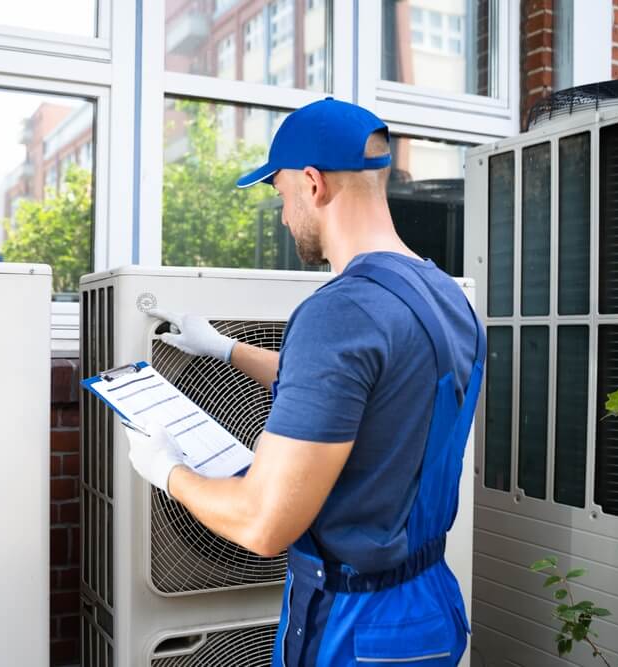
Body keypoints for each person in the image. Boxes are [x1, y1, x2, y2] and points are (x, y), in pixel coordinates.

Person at [124, 97, 484, 665]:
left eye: (283, 195)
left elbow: (264, 524)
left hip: (354, 626)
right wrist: (223, 348)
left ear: (313, 184)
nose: (286, 215)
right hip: (428, 606)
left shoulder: (338, 313)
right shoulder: (444, 296)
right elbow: (368, 389)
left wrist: (168, 472)